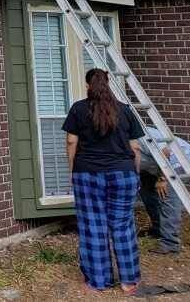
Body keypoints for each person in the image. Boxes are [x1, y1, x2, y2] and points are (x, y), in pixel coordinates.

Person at [63, 68, 144, 295]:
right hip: (123, 174)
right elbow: (135, 148)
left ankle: (99, 281)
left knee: (93, 227)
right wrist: (134, 173)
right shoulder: (125, 111)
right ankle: (129, 281)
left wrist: (72, 171)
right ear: (108, 84)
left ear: (88, 85)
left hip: (87, 174)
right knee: (123, 226)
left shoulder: (79, 109)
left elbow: (71, 142)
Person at [138, 127, 190, 254]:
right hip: (153, 167)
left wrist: (162, 178)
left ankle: (170, 243)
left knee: (167, 196)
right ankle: (158, 228)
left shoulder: (140, 134)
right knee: (146, 192)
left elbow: (165, 151)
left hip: (178, 161)